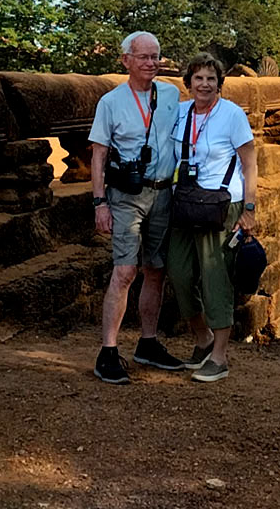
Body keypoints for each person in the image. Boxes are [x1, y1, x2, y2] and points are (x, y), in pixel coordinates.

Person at [89, 31, 184, 384]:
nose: (151, 63)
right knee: (124, 272)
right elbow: (98, 155)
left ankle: (148, 342)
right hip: (127, 196)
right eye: (143, 57)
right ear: (126, 60)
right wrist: (100, 202)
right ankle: (108, 350)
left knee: (156, 269)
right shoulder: (111, 102)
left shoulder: (172, 95)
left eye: (155, 56)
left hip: (163, 192)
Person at [166, 53, 258, 383]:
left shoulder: (231, 115)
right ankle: (202, 339)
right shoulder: (178, 113)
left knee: (215, 276)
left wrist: (249, 209)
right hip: (186, 201)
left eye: (211, 78)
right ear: (188, 83)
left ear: (219, 83)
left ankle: (219, 356)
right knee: (178, 272)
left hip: (222, 204)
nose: (204, 84)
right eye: (198, 78)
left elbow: (249, 163)